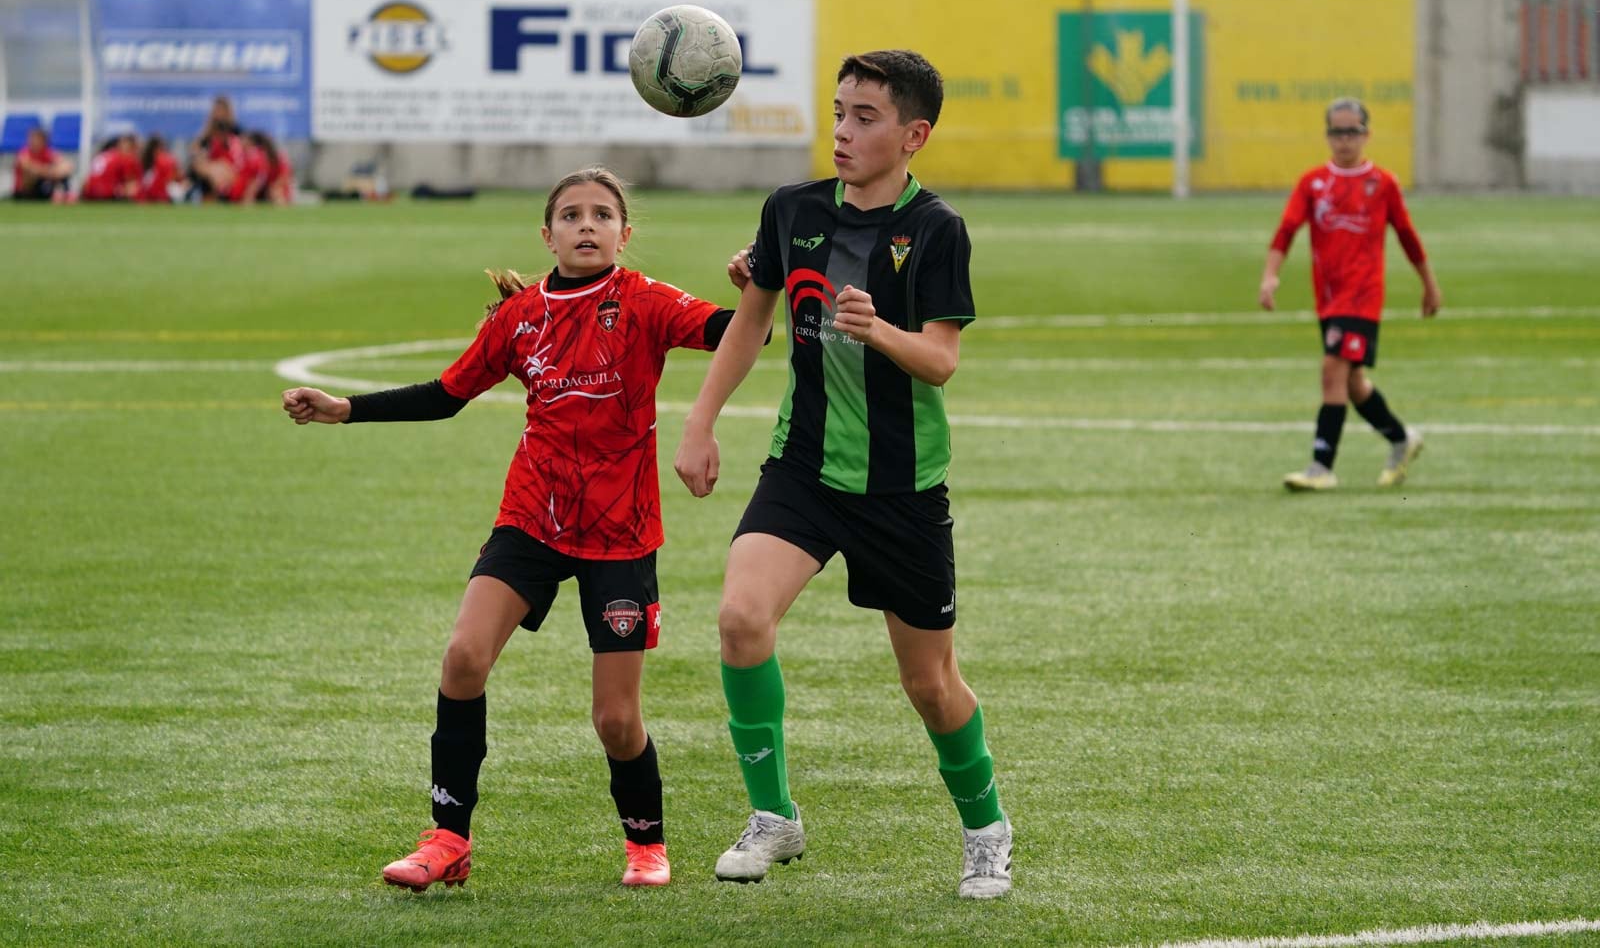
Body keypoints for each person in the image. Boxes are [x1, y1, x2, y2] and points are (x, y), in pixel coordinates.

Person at [281, 167, 742, 891]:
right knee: (463, 656)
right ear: (547, 233)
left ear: (625, 232)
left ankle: (646, 842)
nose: (586, 226)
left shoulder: (646, 300)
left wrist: (760, 287)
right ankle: (447, 838)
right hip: (532, 517)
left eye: (601, 215)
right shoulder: (520, 315)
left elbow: (738, 332)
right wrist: (346, 408)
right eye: (570, 215)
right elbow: (446, 393)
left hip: (620, 530)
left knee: (616, 719)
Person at [673, 50, 1013, 900]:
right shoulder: (791, 211)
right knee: (740, 616)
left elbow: (939, 360)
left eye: (865, 117)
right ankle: (774, 817)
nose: (844, 131)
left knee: (929, 684)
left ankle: (986, 830)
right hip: (805, 469)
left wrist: (877, 331)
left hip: (901, 486)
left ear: (913, 134)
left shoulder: (936, 229)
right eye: (838, 112)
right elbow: (751, 323)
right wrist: (699, 422)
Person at [1259, 97, 1442, 491]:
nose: (1344, 140)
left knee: (1331, 371)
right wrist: (1270, 276)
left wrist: (1429, 284)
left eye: (1352, 131)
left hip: (1362, 297)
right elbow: (1286, 230)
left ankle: (1321, 467)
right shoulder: (1312, 183)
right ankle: (1401, 439)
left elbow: (1408, 236)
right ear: (1327, 135)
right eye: (1337, 132)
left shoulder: (1383, 183)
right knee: (1353, 383)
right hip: (1328, 297)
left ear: (1366, 134)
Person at [11, 126, 73, 202]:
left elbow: (67, 166)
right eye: (31, 138)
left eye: (36, 139)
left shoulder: (48, 152)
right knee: (33, 176)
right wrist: (51, 171)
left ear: (44, 141)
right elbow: (30, 168)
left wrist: (53, 171)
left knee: (62, 177)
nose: (32, 141)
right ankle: (59, 196)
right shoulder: (24, 152)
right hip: (24, 191)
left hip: (43, 183)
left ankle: (64, 195)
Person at [80, 134, 142, 202]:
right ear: (131, 146)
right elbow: (130, 185)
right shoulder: (125, 158)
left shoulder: (103, 154)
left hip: (89, 193)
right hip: (107, 195)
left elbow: (86, 180)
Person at [138, 135, 184, 204]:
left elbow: (175, 175)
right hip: (157, 194)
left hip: (157, 194)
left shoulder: (164, 159)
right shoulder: (162, 160)